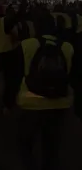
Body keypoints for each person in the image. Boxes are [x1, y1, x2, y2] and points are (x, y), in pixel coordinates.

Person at [10, 13, 74, 170]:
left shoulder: (26, 45)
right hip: (59, 103)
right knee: (52, 146)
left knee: (24, 143)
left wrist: (9, 102)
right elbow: (73, 76)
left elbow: (14, 77)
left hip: (30, 103)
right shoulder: (68, 47)